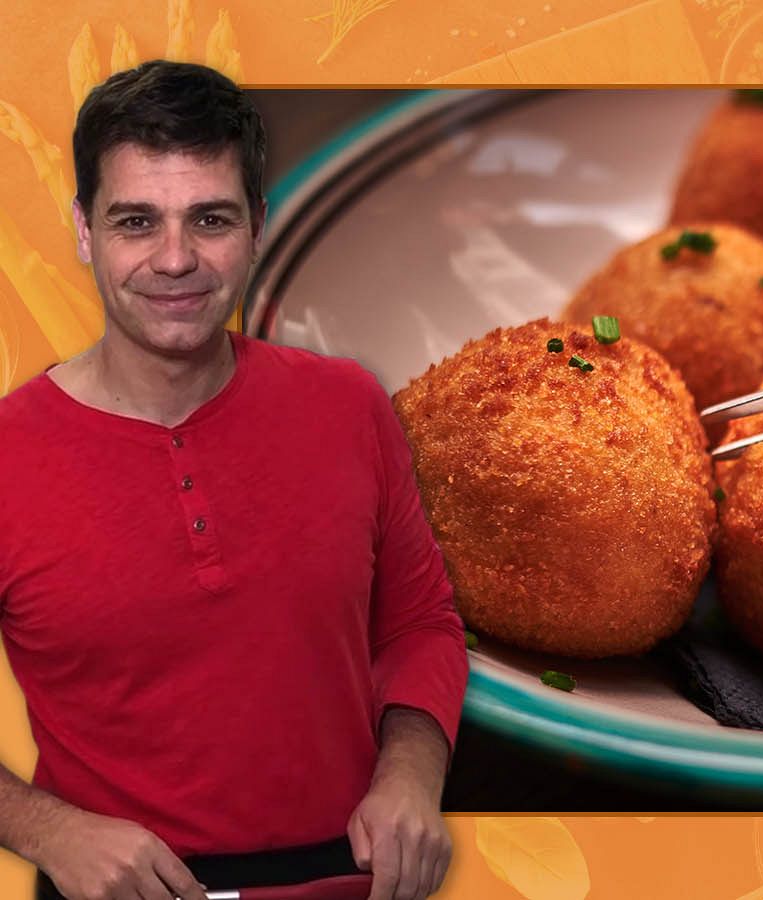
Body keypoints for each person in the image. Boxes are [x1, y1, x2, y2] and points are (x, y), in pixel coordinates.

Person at [0, 61, 468, 900]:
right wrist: (51, 829)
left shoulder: (348, 404)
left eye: (209, 219)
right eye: (136, 221)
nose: (174, 259)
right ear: (83, 231)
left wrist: (411, 775)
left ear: (257, 224)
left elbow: (420, 622)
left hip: (351, 881)